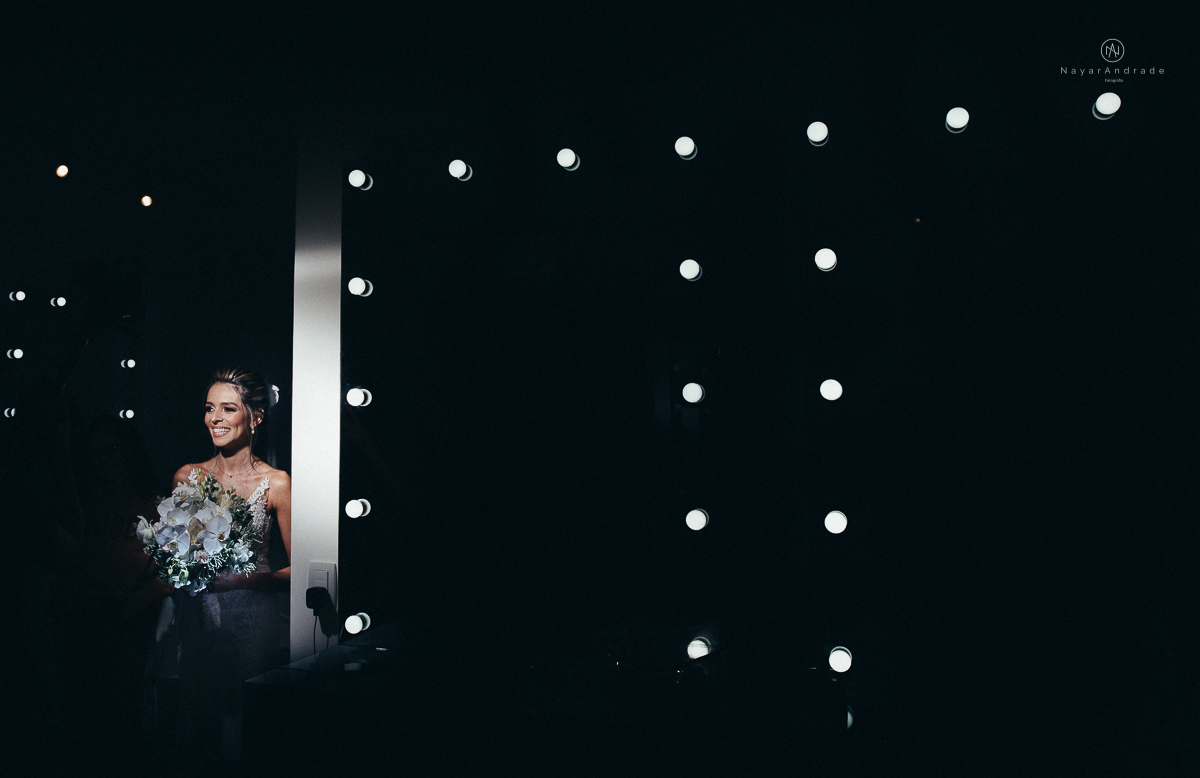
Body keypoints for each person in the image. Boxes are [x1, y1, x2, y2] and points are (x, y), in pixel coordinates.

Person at [170, 367, 291, 761]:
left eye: (227, 408)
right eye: (209, 408)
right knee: (195, 722)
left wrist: (241, 582)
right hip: (199, 615)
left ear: (254, 417)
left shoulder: (276, 483)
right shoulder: (188, 476)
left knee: (243, 723)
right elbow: (179, 556)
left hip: (252, 618)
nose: (215, 418)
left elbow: (299, 570)